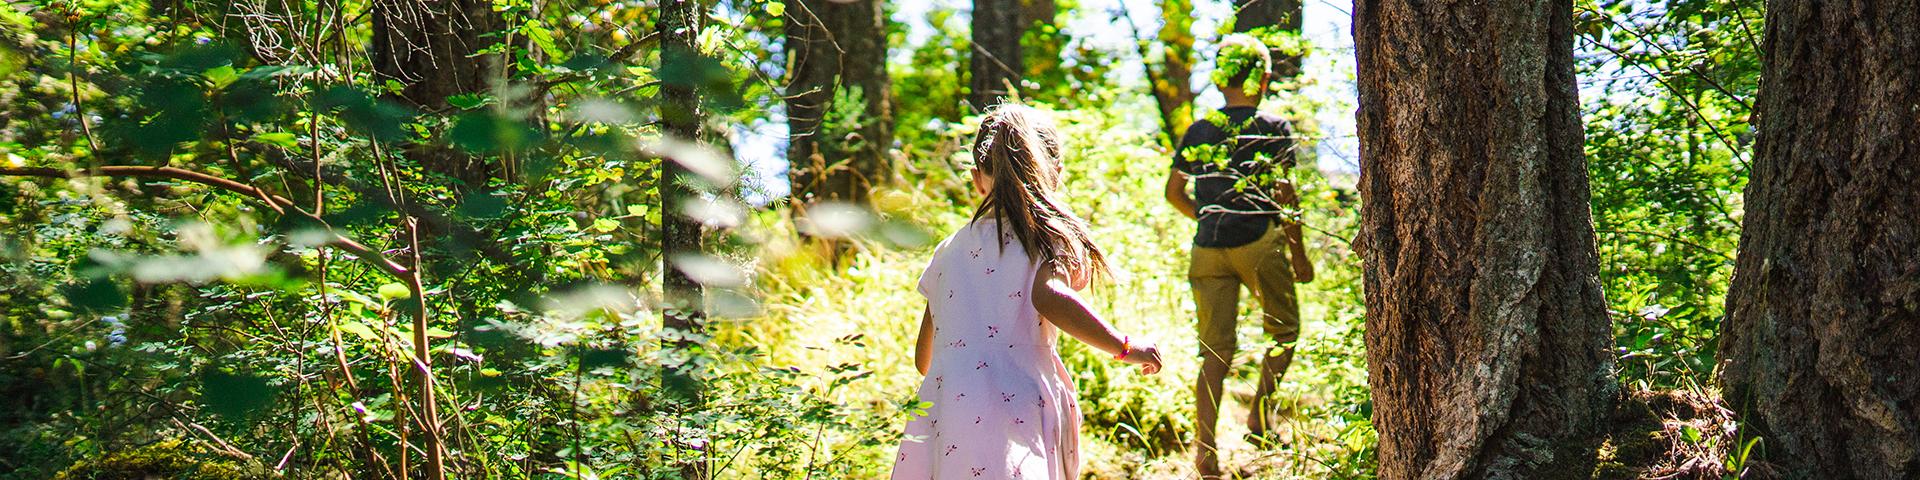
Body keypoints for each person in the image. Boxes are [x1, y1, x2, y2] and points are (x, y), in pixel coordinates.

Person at [892, 104, 1164, 479]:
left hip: (948, 410)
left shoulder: (948, 250)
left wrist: (962, 369)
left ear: (976, 178)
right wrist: (1125, 347)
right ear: (1056, 174)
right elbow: (1049, 297)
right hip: (1015, 404)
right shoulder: (1046, 239)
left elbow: (925, 360)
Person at [1163, 34, 1315, 478]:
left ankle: (1205, 455)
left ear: (1220, 77)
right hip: (1258, 242)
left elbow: (1174, 193)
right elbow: (1285, 195)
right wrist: (1299, 253)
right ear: (1263, 78)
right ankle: (1260, 416)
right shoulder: (1273, 127)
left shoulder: (1200, 128)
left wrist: (1206, 217)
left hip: (1206, 249)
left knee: (1214, 353)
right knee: (1285, 332)